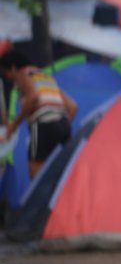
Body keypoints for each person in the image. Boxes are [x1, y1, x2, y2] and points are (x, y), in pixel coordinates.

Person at [0, 50, 77, 178]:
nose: (7, 77)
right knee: (61, 176)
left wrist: (14, 126)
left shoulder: (22, 74)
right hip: (63, 125)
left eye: (5, 72)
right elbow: (73, 107)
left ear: (13, 67)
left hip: (42, 127)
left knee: (36, 178)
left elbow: (33, 97)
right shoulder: (46, 77)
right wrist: (58, 126)